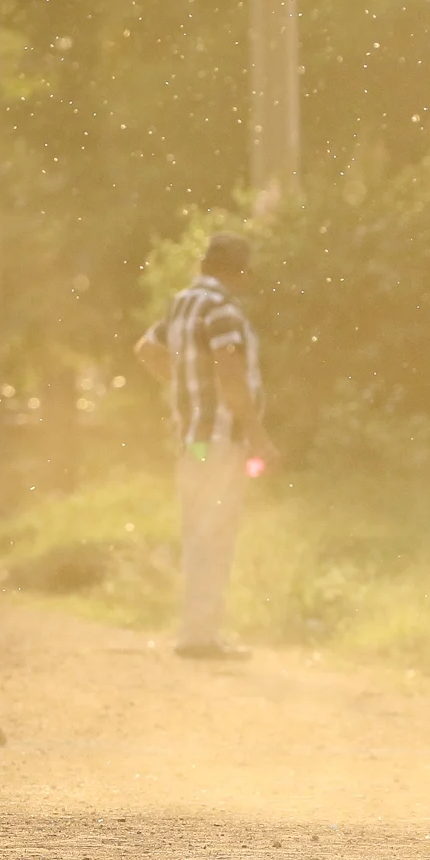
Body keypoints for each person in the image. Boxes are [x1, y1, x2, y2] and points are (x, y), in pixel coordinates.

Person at [134, 231, 276, 662]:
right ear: (239, 272)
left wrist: (184, 389)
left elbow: (145, 350)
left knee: (196, 529)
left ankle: (195, 631)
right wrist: (257, 435)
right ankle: (201, 636)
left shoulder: (183, 305)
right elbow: (231, 377)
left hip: (192, 442)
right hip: (218, 441)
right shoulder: (222, 310)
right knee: (216, 533)